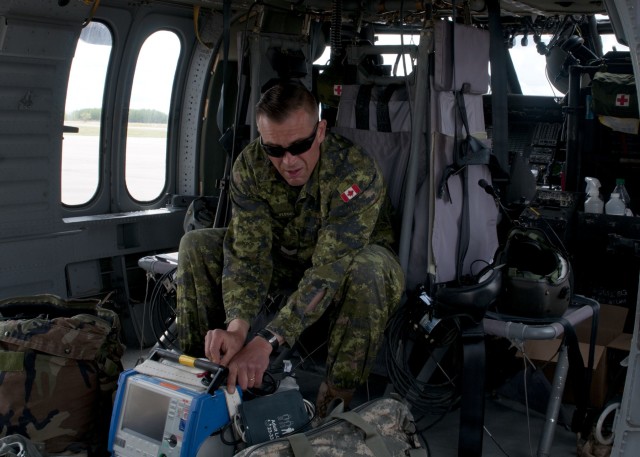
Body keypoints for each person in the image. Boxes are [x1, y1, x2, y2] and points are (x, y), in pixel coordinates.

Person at [175, 80, 404, 415]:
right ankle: (204, 377)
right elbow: (248, 255)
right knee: (197, 243)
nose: (289, 161)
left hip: (353, 265)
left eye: (300, 145)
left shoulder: (354, 172)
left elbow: (328, 271)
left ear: (321, 130)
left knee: (366, 269)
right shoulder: (250, 166)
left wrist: (267, 340)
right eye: (275, 150)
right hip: (288, 258)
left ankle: (335, 402)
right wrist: (237, 328)